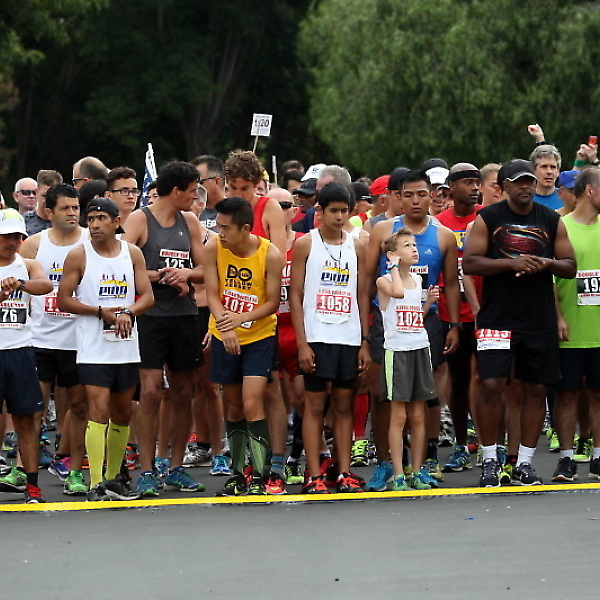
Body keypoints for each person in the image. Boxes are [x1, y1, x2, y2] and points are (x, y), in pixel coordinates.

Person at [463, 158, 576, 487]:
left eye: (529, 181)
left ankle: (524, 463)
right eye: (519, 182)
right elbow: (470, 263)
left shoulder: (551, 219)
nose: (526, 187)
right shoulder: (488, 217)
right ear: (504, 188)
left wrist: (545, 263)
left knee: (536, 388)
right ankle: (489, 460)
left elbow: (570, 266)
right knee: (490, 385)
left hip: (538, 317)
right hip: (497, 316)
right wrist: (510, 263)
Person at [365, 169, 460, 491]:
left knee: (425, 398)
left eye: (421, 194)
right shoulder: (382, 230)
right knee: (384, 397)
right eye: (408, 195)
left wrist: (454, 325)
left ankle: (426, 459)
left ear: (431, 195)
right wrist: (364, 332)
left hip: (425, 323)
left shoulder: (443, 235)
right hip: (387, 324)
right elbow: (366, 281)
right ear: (397, 197)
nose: (415, 200)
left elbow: (450, 284)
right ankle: (385, 463)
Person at [58, 198, 154, 501]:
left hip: (125, 346)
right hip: (93, 347)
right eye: (90, 219)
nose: (94, 224)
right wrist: (100, 311)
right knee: (98, 411)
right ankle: (96, 483)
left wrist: (128, 313)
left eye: (101, 218)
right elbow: (63, 299)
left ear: (116, 222)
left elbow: (147, 296)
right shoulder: (79, 255)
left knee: (123, 412)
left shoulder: (132, 253)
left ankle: (113, 478)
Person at [123, 161, 206, 496]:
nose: (195, 197)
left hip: (184, 315)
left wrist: (186, 274)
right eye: (192, 191)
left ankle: (175, 466)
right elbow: (122, 262)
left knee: (184, 392)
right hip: (150, 315)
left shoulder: (190, 221)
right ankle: (146, 469)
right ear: (175, 191)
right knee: (151, 392)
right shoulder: (140, 219)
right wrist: (161, 276)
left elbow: (205, 268)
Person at [290, 182, 370, 494]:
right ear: (319, 211)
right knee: (314, 405)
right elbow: (296, 295)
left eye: (343, 211)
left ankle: (343, 471)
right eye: (333, 211)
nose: (338, 217)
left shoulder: (357, 246)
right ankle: (314, 474)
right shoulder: (305, 244)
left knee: (343, 405)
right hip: (316, 335)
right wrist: (302, 343)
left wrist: (364, 341)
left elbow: (362, 295)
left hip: (348, 336)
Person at [203, 197, 281, 496]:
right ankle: (237, 473)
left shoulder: (269, 254)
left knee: (252, 402)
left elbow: (272, 303)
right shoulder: (213, 247)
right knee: (233, 404)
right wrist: (226, 327)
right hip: (225, 334)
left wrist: (242, 319)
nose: (220, 233)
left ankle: (260, 473)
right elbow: (212, 294)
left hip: (259, 335)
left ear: (245, 228)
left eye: (226, 228)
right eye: (218, 226)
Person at [19, 183, 89, 495]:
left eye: (76, 207)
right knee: (32, 410)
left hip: (78, 340)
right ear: (49, 212)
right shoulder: (34, 245)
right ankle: (24, 471)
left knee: (79, 407)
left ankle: (74, 471)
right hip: (40, 339)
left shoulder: (89, 242)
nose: (72, 213)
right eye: (65, 208)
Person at [377, 229, 439, 490]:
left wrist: (428, 304)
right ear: (393, 254)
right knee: (399, 415)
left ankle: (416, 470)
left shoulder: (417, 279)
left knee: (418, 414)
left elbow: (413, 316)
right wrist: (393, 267)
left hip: (419, 347)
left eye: (414, 244)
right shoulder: (384, 281)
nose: (414, 249)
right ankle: (399, 473)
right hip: (397, 351)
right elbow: (398, 294)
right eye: (407, 245)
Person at [0, 208, 53, 503]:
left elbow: (46, 285)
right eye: (6, 236)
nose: (12, 242)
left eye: (17, 236)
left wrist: (19, 284)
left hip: (21, 350)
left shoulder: (28, 264)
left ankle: (32, 486)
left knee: (26, 420)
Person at [553, 167, 600, 482]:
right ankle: (566, 458)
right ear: (590, 190)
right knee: (567, 395)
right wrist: (557, 316)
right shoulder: (562, 227)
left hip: (598, 330)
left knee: (598, 394)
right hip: (569, 328)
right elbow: (548, 280)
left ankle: (598, 456)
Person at [437, 163, 482, 473]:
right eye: (467, 182)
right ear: (450, 188)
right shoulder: (439, 224)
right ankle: (461, 444)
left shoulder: (486, 218)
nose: (475, 187)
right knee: (458, 380)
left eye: (477, 182)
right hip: (451, 312)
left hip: (484, 311)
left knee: (485, 379)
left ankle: (489, 443)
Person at [190, 154, 227, 233]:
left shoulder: (234, 211)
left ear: (217, 181)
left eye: (200, 182)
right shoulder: (189, 212)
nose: (195, 188)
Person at [24, 170, 63, 236]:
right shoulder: (24, 223)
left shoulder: (65, 223)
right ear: (36, 192)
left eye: (52, 196)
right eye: (44, 196)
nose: (47, 200)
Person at [530, 145, 562, 210]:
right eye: (544, 167)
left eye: (553, 167)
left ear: (558, 172)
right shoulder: (525, 199)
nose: (549, 172)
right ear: (533, 170)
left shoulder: (566, 199)